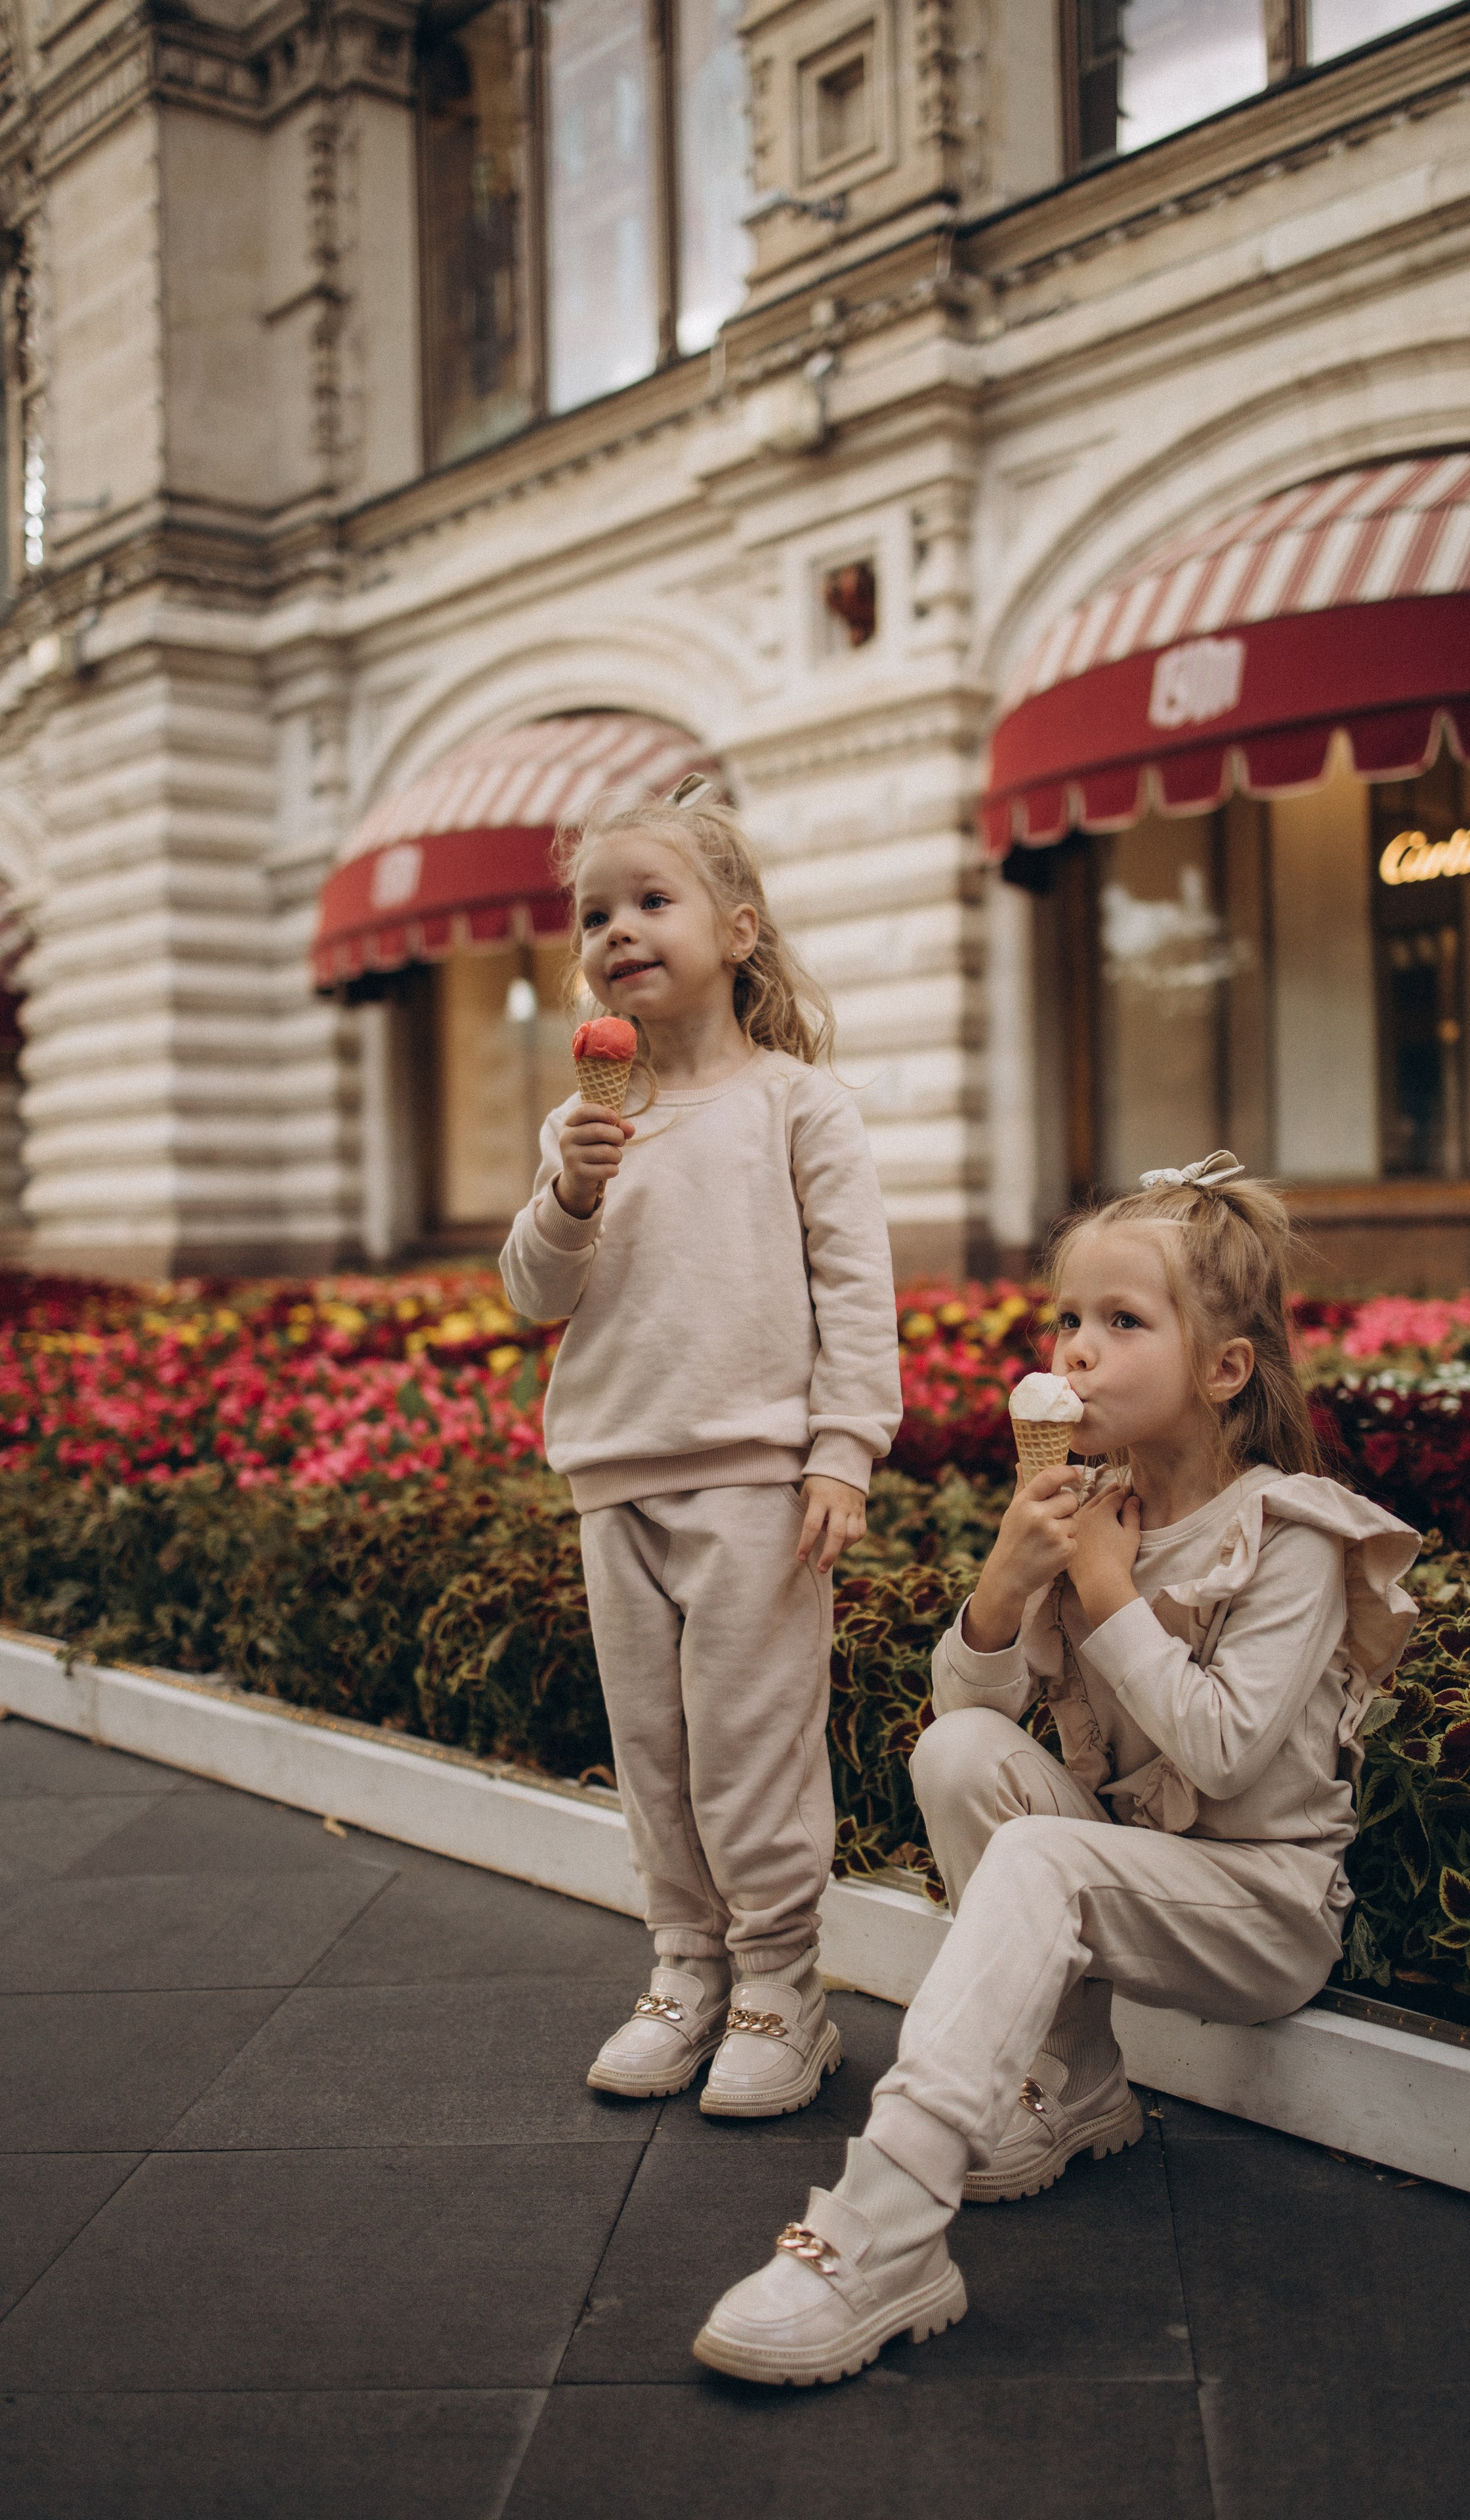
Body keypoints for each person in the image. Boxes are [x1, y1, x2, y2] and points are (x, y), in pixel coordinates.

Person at [693, 1152, 1419, 2383]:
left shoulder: (1288, 1532)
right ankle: (1078, 2083)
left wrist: (1103, 1585)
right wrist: (1006, 1585)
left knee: (1042, 1853)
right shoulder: (1090, 1506)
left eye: (1122, 1323)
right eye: (1067, 1319)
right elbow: (968, 1711)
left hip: (1263, 1907)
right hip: (1134, 1864)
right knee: (963, 1752)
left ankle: (883, 2227)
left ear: (1224, 1369)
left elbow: (1228, 1752)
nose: (1077, 1350)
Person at [500, 783, 900, 2118]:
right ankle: (684, 1969)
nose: (617, 929)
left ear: (737, 933)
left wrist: (843, 1452)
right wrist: (571, 1190)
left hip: (753, 1484)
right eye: (594, 914)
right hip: (613, 1469)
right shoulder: (585, 1128)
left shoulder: (798, 1109)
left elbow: (855, 1292)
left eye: (649, 901)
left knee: (752, 1747)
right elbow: (532, 1295)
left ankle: (784, 1989)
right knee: (656, 1750)